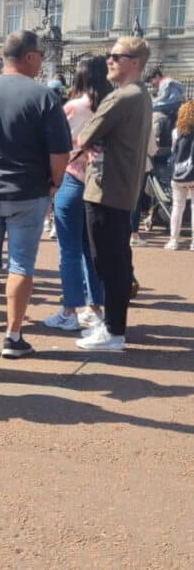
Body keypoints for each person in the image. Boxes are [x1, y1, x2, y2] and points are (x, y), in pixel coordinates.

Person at [0, 30, 71, 358]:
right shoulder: (44, 96)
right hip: (28, 190)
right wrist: (54, 182)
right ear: (31, 57)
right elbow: (59, 152)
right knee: (21, 265)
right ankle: (13, 336)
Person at [72, 36, 152, 352]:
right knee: (115, 260)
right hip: (120, 189)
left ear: (134, 62)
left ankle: (114, 332)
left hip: (106, 190)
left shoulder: (122, 98)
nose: (109, 60)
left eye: (116, 56)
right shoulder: (140, 94)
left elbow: (84, 135)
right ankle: (113, 328)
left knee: (107, 262)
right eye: (109, 55)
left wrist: (93, 142)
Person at [44, 56, 108, 332]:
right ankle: (95, 308)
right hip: (98, 182)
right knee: (91, 249)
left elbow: (59, 147)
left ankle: (69, 310)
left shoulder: (72, 107)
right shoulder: (110, 105)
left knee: (68, 249)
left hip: (71, 178)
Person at [165, 100, 194, 250]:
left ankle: (173, 240)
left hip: (178, 173)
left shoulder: (176, 131)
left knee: (177, 206)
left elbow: (173, 151)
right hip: (193, 172)